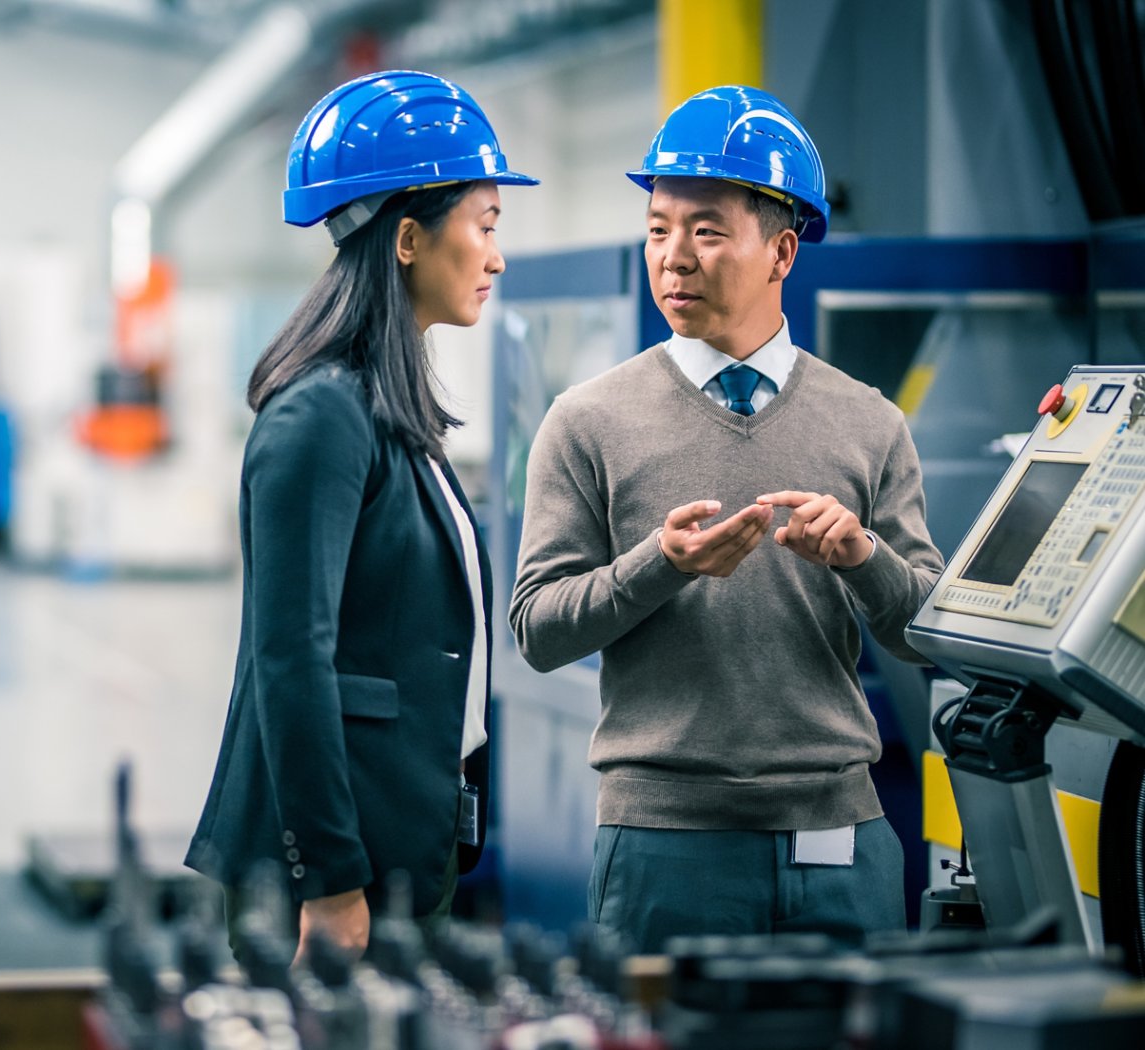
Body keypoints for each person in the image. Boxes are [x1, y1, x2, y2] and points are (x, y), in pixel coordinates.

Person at [508, 85, 944, 951]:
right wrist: (658, 565)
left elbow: (926, 630)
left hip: (839, 842)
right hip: (662, 847)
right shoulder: (586, 420)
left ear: (782, 252)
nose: (674, 258)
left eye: (706, 231)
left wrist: (863, 558)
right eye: (658, 228)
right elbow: (537, 630)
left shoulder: (869, 423)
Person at [184, 70, 537, 964]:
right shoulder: (319, 415)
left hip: (403, 848)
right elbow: (289, 660)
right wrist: (330, 880)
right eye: (485, 226)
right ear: (410, 238)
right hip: (337, 875)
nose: (497, 256)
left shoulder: (389, 402)